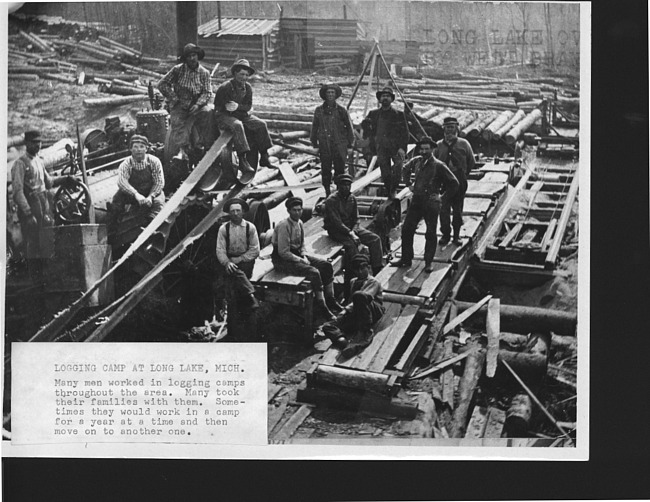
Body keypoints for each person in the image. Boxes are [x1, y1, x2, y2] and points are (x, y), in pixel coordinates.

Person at [391, 136, 459, 272]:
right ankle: (406, 259)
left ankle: (428, 262)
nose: (423, 152)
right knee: (407, 229)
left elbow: (454, 183)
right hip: (416, 200)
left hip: (431, 203)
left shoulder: (439, 165)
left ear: (433, 149)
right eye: (421, 149)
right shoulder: (416, 161)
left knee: (430, 233)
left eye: (426, 149)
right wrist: (409, 184)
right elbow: (404, 169)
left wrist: (442, 197)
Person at [272, 197, 342, 323]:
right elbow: (283, 252)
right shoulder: (284, 226)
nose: (298, 213)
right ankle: (323, 307)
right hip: (282, 260)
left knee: (326, 266)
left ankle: (331, 300)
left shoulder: (299, 223)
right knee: (314, 272)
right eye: (294, 210)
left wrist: (304, 255)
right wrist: (301, 260)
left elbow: (302, 244)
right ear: (288, 211)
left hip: (297, 254)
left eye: (299, 210)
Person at [11, 130, 69, 274]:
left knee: (47, 238)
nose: (38, 146)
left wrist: (67, 178)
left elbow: (48, 183)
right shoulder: (20, 164)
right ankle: (34, 277)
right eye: (34, 143)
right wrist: (29, 214)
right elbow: (18, 193)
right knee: (33, 243)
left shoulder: (39, 161)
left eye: (39, 143)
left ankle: (47, 273)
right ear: (27, 144)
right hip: (31, 207)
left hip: (43, 204)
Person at [214, 58, 276, 184]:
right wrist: (227, 107)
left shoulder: (248, 88)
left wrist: (238, 107)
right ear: (235, 73)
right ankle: (242, 160)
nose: (244, 77)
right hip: (224, 116)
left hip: (241, 114)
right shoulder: (225, 87)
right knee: (238, 125)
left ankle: (264, 155)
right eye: (242, 74)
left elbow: (248, 106)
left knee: (261, 124)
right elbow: (217, 107)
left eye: (247, 75)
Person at [158, 43, 215, 160]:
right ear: (185, 59)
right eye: (189, 56)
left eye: (194, 55)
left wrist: (198, 104)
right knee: (177, 121)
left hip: (198, 103)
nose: (192, 58)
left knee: (209, 113)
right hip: (180, 103)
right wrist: (174, 98)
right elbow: (162, 84)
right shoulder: (177, 70)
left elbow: (207, 92)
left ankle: (206, 145)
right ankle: (182, 150)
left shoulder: (204, 73)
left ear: (197, 56)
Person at [321, 254, 385, 358]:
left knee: (359, 295)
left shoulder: (373, 282)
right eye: (357, 270)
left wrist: (345, 311)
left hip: (372, 311)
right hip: (357, 313)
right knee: (327, 326)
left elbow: (365, 297)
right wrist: (343, 317)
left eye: (362, 269)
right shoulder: (353, 281)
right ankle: (344, 343)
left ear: (368, 268)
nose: (359, 272)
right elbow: (351, 300)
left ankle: (365, 331)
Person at [323, 173, 383, 276]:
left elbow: (356, 218)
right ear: (338, 186)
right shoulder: (331, 201)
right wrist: (351, 234)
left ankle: (377, 270)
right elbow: (337, 222)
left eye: (348, 185)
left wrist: (354, 231)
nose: (346, 187)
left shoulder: (352, 198)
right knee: (351, 246)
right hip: (337, 231)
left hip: (351, 229)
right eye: (343, 185)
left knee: (375, 239)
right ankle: (356, 274)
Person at [434, 116, 476, 246]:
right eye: (447, 128)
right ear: (444, 130)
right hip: (444, 182)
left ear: (457, 128)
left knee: (457, 209)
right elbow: (434, 163)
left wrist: (463, 175)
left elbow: (471, 161)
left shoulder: (464, 144)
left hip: (459, 180)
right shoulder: (438, 145)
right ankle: (445, 235)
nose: (449, 131)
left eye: (452, 127)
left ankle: (456, 236)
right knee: (443, 209)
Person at [362, 87, 409, 198]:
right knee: (385, 171)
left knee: (398, 168)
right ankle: (389, 191)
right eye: (383, 96)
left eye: (387, 96)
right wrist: (366, 124)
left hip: (396, 148)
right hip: (381, 147)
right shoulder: (373, 114)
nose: (385, 98)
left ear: (392, 99)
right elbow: (367, 129)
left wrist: (402, 148)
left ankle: (394, 189)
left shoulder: (399, 114)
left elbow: (405, 133)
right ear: (379, 99)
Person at [215, 198, 260, 312]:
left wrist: (240, 259)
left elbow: (255, 250)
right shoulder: (224, 229)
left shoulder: (250, 227)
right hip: (230, 261)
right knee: (233, 272)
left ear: (243, 212)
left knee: (237, 276)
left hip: (246, 261)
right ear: (229, 213)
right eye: (232, 211)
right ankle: (250, 294)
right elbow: (220, 250)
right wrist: (227, 263)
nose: (235, 214)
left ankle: (247, 298)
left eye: (238, 211)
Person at [310, 83, 355, 196]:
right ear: (325, 95)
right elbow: (314, 127)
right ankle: (327, 191)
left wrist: (350, 146)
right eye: (328, 93)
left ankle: (340, 192)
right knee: (326, 170)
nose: (330, 95)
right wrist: (314, 144)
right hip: (325, 145)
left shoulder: (341, 110)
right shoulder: (319, 110)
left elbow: (349, 128)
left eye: (332, 93)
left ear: (336, 95)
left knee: (340, 170)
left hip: (340, 145)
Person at [109, 135, 165, 224]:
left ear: (146, 149)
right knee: (117, 199)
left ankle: (151, 226)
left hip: (150, 191)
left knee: (159, 203)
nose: (139, 150)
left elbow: (159, 182)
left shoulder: (154, 161)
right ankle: (114, 226)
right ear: (131, 149)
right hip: (133, 194)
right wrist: (136, 195)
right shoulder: (126, 164)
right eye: (135, 147)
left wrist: (151, 196)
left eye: (142, 147)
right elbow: (122, 182)